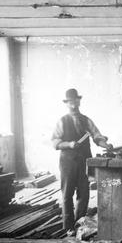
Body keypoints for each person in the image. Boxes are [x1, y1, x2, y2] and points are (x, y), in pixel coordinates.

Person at [51, 88, 112, 234]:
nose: (74, 103)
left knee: (84, 194)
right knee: (67, 194)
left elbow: (97, 136)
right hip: (67, 162)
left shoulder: (86, 120)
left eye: (76, 100)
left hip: (84, 161)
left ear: (79, 101)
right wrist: (69, 144)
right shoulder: (62, 121)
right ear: (67, 103)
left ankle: (80, 224)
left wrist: (106, 145)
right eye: (70, 101)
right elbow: (55, 142)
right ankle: (68, 227)